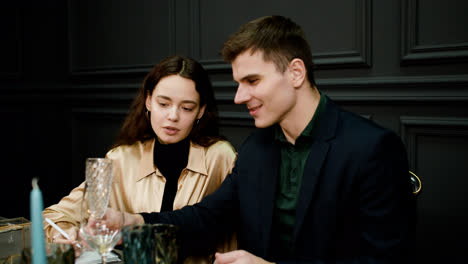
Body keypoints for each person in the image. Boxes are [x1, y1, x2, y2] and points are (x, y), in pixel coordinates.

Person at [103, 16, 416, 263]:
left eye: (252, 81)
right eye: (239, 83)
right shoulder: (257, 148)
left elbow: (385, 259)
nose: (239, 97)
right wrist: (132, 223)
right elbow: (207, 218)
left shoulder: (372, 149)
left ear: (295, 73)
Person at [43, 55, 237, 263]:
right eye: (163, 104)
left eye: (186, 108)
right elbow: (55, 215)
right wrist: (63, 235)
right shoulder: (121, 159)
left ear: (201, 110)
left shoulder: (220, 157)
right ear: (148, 101)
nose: (173, 116)